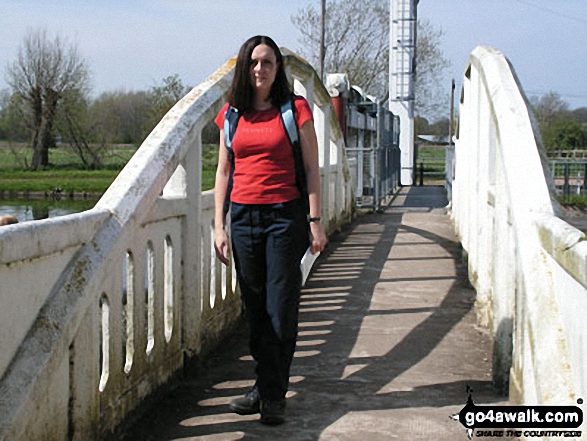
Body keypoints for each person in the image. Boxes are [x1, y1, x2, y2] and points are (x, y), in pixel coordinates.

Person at [213, 35, 327, 425]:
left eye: (268, 62)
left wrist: (315, 221)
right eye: (253, 62)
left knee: (281, 308)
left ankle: (274, 396)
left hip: (284, 218)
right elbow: (223, 171)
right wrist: (218, 225)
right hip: (243, 219)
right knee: (256, 309)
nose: (260, 69)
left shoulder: (295, 109)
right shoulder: (231, 113)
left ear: (279, 69)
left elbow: (312, 169)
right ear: (244, 68)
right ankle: (265, 387)